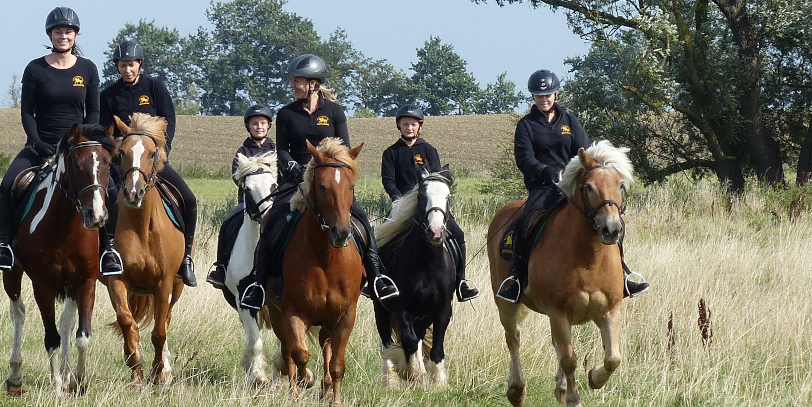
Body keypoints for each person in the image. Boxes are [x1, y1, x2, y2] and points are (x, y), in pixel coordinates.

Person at [238, 53, 398, 310]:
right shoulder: (286, 113)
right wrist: (291, 164)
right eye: (293, 81)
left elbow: (344, 148)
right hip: (297, 181)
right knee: (271, 222)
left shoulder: (334, 111)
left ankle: (378, 277)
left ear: (313, 83)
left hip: (330, 180)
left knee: (361, 221)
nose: (292, 85)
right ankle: (257, 284)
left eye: (297, 81)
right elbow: (283, 149)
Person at [495, 69, 650, 303]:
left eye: (547, 94)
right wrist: (544, 171)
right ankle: (516, 279)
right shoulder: (526, 125)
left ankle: (624, 275)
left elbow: (585, 151)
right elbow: (524, 158)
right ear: (533, 98)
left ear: (556, 94)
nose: (543, 99)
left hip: (572, 185)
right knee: (526, 220)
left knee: (611, 218)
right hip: (543, 187)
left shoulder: (569, 120)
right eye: (538, 95)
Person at [0, 7, 122, 275]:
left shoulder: (88, 69)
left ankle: (108, 249)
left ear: (76, 35)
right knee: (7, 185)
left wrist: (82, 142)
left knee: (111, 191)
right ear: (50, 35)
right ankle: (5, 246)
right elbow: (27, 112)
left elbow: (93, 112)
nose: (64, 36)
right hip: (42, 145)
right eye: (59, 31)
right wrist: (37, 143)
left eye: (69, 31)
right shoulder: (35, 69)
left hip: (78, 148)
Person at [98, 40, 198, 287]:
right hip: (121, 163)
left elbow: (169, 121)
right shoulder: (108, 95)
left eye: (131, 65)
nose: (127, 70)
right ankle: (107, 252)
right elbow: (104, 131)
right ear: (117, 67)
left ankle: (185, 259)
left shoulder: (154, 88)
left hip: (153, 162)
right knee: (102, 200)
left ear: (139, 64)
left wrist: (163, 151)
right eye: (122, 65)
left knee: (189, 199)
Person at [381, 104, 479, 302]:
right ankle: (380, 281)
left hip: (430, 205)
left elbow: (437, 178)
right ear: (399, 126)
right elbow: (388, 181)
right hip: (402, 207)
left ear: (420, 126)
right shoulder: (391, 153)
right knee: (382, 240)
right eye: (405, 124)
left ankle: (461, 281)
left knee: (458, 233)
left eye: (413, 124)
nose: (409, 127)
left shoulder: (428, 150)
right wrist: (399, 202)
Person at [206, 104, 277, 288]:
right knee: (228, 222)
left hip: (273, 201)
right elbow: (236, 176)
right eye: (255, 123)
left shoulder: (275, 150)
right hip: (248, 203)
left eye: (262, 123)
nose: (259, 126)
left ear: (269, 125)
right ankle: (221, 267)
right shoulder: (242, 151)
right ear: (248, 127)